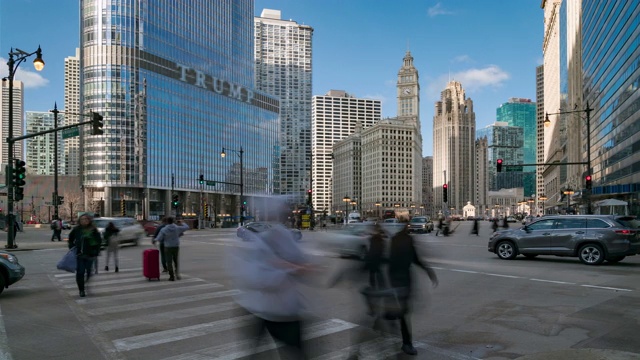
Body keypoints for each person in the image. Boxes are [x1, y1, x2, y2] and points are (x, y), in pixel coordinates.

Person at [229, 196, 311, 359]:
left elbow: (301, 262)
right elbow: (256, 277)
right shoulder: (261, 241)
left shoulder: (283, 235)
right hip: (267, 309)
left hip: (281, 308)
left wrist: (297, 267)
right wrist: (289, 269)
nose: (288, 214)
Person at [386, 226, 438, 356]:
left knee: (403, 310)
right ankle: (406, 343)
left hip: (402, 279)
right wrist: (428, 271)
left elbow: (414, 258)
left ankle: (393, 318)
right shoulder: (400, 240)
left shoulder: (403, 239)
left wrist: (428, 271)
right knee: (404, 311)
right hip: (400, 279)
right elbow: (413, 259)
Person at [68, 214, 102, 297]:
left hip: (90, 254)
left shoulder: (93, 230)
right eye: (82, 219)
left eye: (86, 219)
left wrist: (96, 251)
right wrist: (72, 248)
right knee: (80, 272)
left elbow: (99, 241)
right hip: (80, 255)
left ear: (89, 220)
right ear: (80, 220)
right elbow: (70, 239)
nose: (84, 221)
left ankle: (85, 282)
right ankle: (81, 290)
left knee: (89, 272)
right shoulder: (77, 229)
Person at [154, 217, 189, 281]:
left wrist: (155, 240)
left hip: (167, 247)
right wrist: (182, 222)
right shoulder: (177, 228)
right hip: (176, 246)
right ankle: (177, 274)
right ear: (173, 221)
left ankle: (171, 276)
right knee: (176, 261)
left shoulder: (164, 229)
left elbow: (159, 238)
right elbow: (186, 227)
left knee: (169, 262)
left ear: (167, 222)